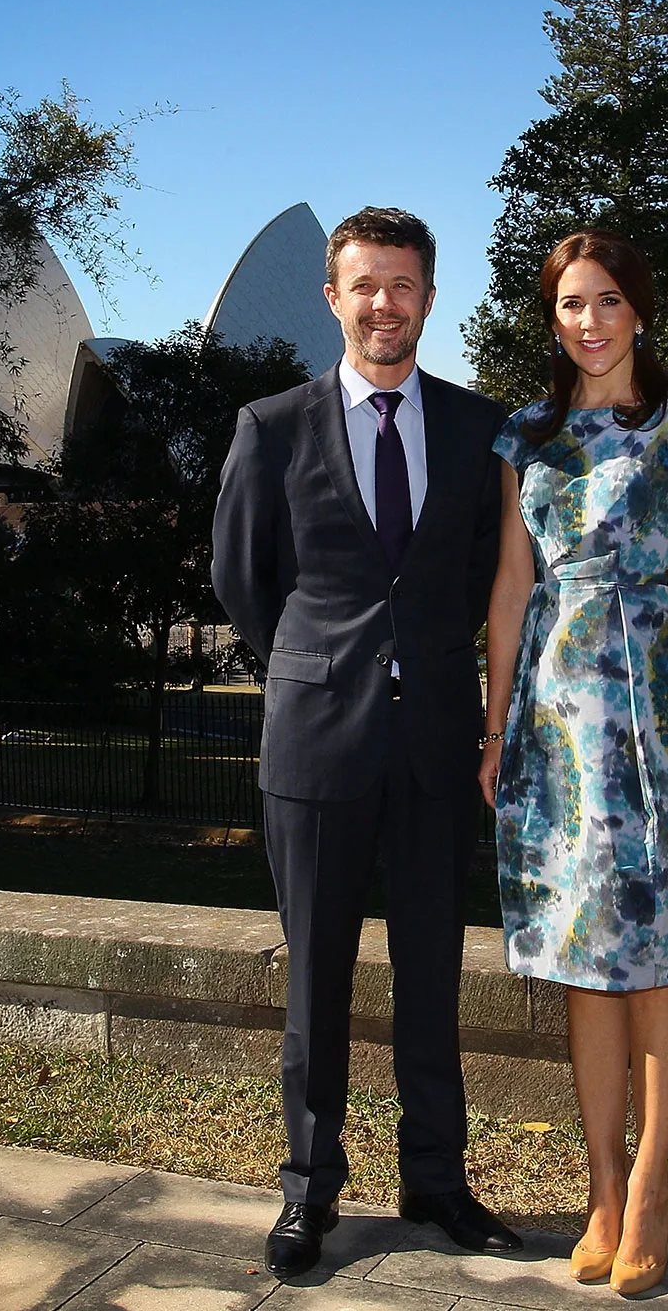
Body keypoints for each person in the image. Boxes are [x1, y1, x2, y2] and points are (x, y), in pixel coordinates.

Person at [212, 206, 520, 1279]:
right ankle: (310, 1189)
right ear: (332, 296)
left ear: (429, 297)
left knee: (432, 974)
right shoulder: (272, 426)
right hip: (316, 743)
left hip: (437, 743)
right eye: (364, 284)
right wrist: (318, 667)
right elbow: (245, 583)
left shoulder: (482, 429)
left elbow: (495, 579)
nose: (384, 302)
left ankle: (436, 1180)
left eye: (403, 283)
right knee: (318, 983)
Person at [479, 230, 668, 1297]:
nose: (589, 320)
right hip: (549, 723)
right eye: (570, 304)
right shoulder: (525, 436)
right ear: (553, 319)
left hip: (651, 714)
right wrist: (493, 725)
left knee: (656, 958)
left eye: (608, 301)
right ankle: (598, 1186)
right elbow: (506, 586)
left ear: (639, 310)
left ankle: (651, 1185)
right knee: (586, 964)